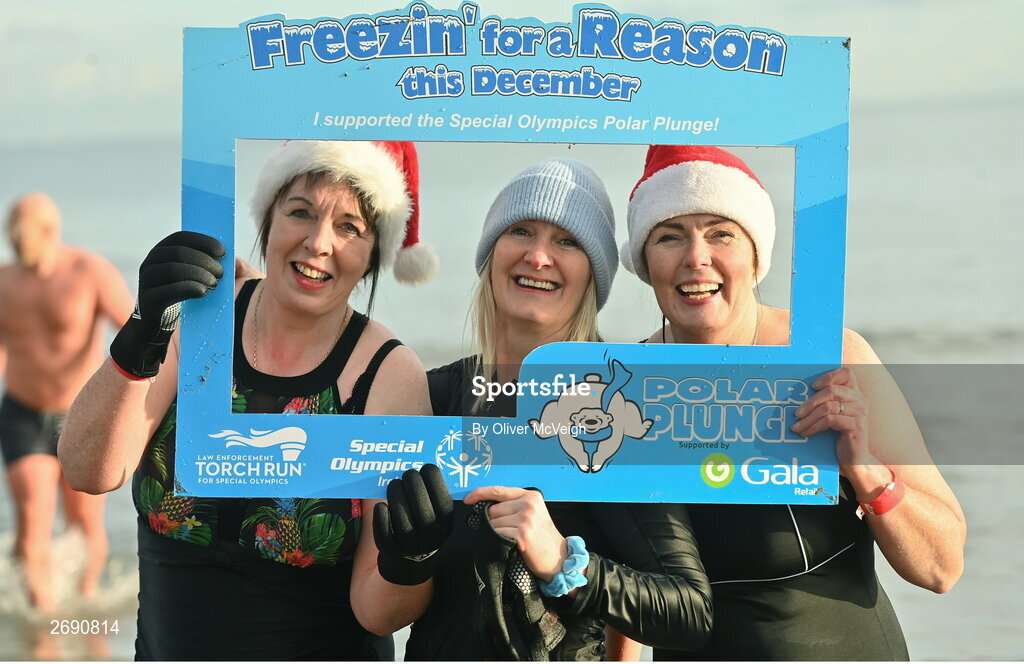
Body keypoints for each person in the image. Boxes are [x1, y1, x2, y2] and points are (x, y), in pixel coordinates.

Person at [58, 140, 439, 660]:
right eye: (300, 212)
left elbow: (379, 613)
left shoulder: (388, 374)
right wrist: (141, 334)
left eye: (350, 227)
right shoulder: (202, 321)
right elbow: (86, 470)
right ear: (268, 218)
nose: (318, 242)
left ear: (374, 254)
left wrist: (409, 560)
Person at [619, 144, 967, 660]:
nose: (696, 257)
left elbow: (941, 567)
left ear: (755, 256)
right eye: (669, 236)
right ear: (645, 262)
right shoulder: (625, 387)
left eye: (721, 233)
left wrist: (864, 467)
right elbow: (627, 582)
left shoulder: (830, 360)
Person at [359, 159, 713, 660]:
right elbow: (377, 616)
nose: (539, 256)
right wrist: (410, 556)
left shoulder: (616, 408)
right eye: (521, 230)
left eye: (567, 241)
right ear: (491, 253)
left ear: (593, 275)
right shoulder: (430, 397)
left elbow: (688, 611)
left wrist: (564, 561)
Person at [0, 192, 134, 611]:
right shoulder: (4, 282)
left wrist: (132, 399)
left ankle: (84, 608)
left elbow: (136, 333)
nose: (15, 243)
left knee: (84, 522)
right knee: (33, 516)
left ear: (49, 231)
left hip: (82, 415)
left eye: (22, 235)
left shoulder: (88, 272)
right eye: (10, 235)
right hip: (22, 412)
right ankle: (42, 621)